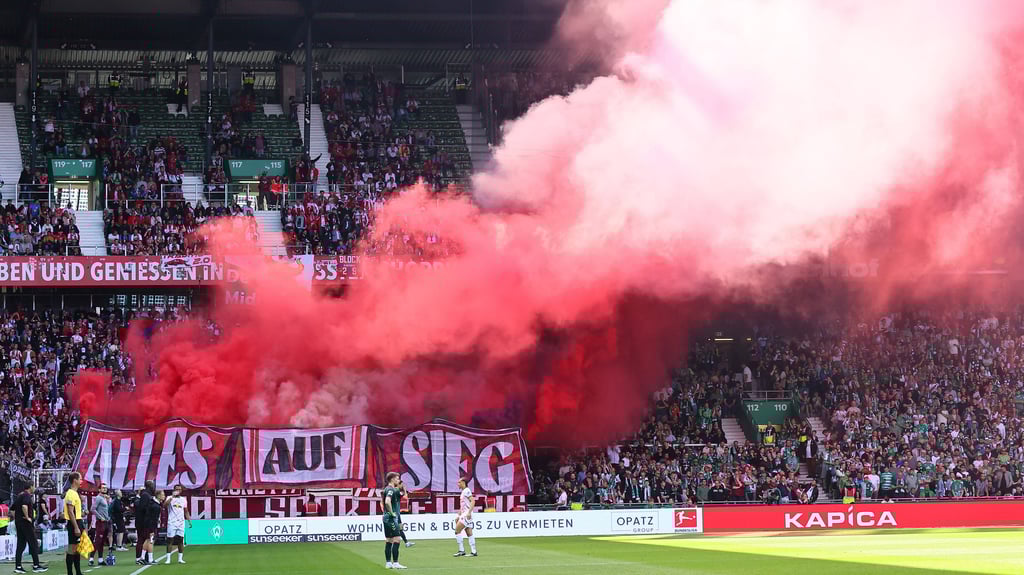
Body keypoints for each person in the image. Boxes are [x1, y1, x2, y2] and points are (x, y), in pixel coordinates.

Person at [14, 484, 47, 573]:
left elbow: (12, 509)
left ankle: (18, 566)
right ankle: (36, 565)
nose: (35, 488)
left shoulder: (19, 496)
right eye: (34, 486)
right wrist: (27, 517)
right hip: (26, 523)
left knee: (21, 545)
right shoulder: (26, 495)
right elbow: (24, 506)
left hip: (19, 522)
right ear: (30, 487)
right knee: (33, 543)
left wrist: (18, 519)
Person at [381, 472, 407, 570]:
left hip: (386, 518)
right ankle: (395, 563)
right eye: (397, 478)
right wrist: (392, 512)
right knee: (397, 539)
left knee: (389, 540)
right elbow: (387, 501)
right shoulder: (390, 489)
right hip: (391, 518)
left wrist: (403, 489)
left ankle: (388, 563)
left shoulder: (389, 489)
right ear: (392, 479)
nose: (398, 480)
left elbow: (401, 495)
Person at [163, 485, 191, 564]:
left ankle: (180, 559)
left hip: (181, 522)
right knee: (170, 540)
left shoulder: (183, 499)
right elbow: (164, 506)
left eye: (179, 489)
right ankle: (168, 559)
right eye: (176, 489)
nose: (178, 491)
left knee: (180, 540)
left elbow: (186, 511)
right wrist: (172, 496)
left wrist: (189, 520)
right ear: (174, 490)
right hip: (172, 522)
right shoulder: (169, 497)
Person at [135, 481, 161, 565]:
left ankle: (143, 557)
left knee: (146, 539)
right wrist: (148, 517)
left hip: (146, 521)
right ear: (150, 486)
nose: (154, 486)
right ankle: (140, 558)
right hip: (145, 522)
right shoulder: (145, 495)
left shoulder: (147, 494)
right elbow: (142, 508)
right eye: (153, 485)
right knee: (146, 539)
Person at [64, 472, 85, 575]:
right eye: (80, 479)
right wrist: (76, 527)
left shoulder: (75, 493)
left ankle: (78, 572)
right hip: (74, 523)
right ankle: (70, 572)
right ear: (75, 480)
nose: (81, 481)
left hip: (78, 521)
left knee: (77, 549)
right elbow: (70, 511)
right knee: (72, 549)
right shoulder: (71, 493)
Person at [453, 477, 477, 558]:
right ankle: (474, 552)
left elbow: (473, 501)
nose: (458, 484)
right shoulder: (463, 492)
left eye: (459, 482)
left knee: (457, 530)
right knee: (469, 532)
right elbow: (462, 506)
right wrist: (458, 515)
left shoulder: (467, 490)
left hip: (467, 514)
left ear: (463, 482)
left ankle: (461, 551)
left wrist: (469, 513)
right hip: (465, 514)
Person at [88, 484, 110, 567]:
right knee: (97, 541)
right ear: (99, 489)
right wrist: (100, 517)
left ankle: (100, 559)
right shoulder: (98, 498)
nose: (105, 489)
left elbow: (106, 510)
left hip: (106, 522)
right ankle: (91, 559)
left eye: (105, 488)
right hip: (101, 522)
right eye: (103, 488)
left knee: (102, 542)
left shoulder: (105, 498)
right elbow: (92, 509)